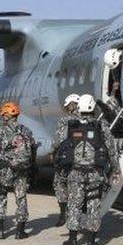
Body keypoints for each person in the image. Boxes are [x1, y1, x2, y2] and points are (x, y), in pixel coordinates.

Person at [59, 95, 119, 245]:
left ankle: (72, 240)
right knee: (93, 205)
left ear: (80, 107)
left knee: (74, 205)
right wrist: (116, 169)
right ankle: (91, 242)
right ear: (93, 108)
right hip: (95, 173)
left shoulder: (71, 125)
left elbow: (60, 145)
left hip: (75, 173)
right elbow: (111, 150)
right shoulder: (102, 126)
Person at [0, 102, 36, 240]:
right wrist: (32, 166)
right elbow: (33, 149)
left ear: (5, 116)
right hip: (22, 169)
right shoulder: (26, 130)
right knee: (21, 197)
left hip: (6, 169)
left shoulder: (0, 131)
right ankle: (20, 231)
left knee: (1, 196)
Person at [52, 94, 83, 228]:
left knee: (59, 184)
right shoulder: (89, 120)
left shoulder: (65, 120)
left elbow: (59, 139)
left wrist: (53, 152)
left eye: (67, 106)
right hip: (84, 159)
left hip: (67, 158)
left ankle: (63, 214)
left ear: (71, 105)